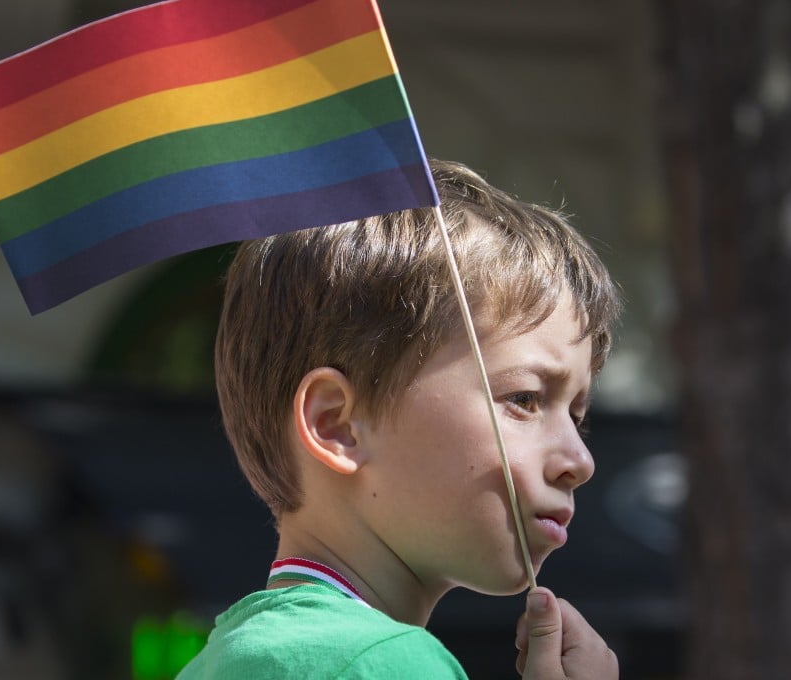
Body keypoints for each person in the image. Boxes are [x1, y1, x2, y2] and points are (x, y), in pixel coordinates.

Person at [177, 159, 622, 679]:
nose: (580, 461)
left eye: (577, 417)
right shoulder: (387, 664)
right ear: (336, 425)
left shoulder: (222, 660)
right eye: (524, 398)